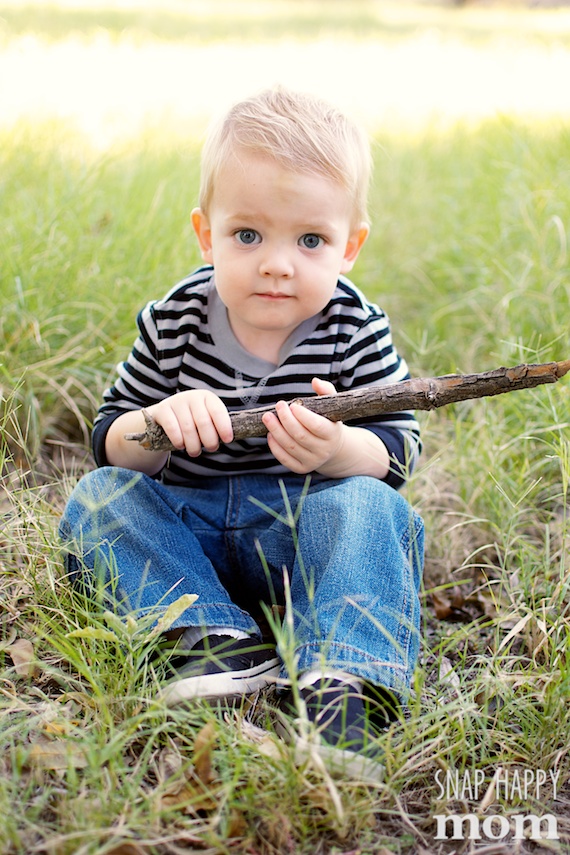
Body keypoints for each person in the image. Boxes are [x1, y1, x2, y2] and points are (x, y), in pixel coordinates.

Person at [60, 87, 424, 781]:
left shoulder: (354, 327)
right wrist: (157, 424)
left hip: (302, 541)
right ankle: (208, 636)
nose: (277, 264)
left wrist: (345, 451)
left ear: (350, 246)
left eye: (310, 239)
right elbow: (109, 436)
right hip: (188, 531)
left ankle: (344, 682)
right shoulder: (174, 320)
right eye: (248, 235)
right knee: (100, 498)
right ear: (207, 234)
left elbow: (399, 445)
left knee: (374, 509)